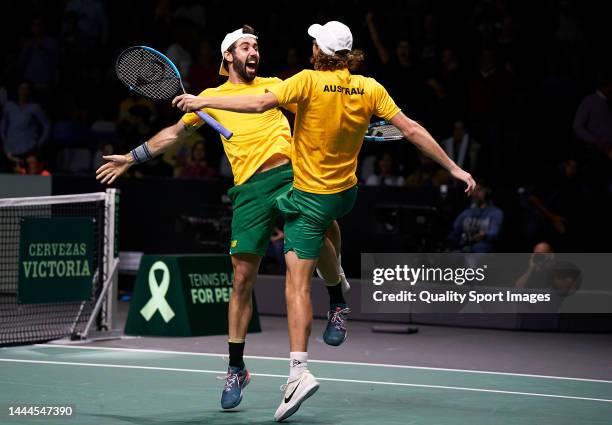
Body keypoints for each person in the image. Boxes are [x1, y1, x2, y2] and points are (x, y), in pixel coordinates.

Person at [173, 20, 475, 422]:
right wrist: (455, 168)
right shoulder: (369, 88)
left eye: (313, 42)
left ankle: (299, 372)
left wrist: (204, 102)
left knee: (295, 285)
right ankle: (338, 294)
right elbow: (412, 129)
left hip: (311, 201)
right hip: (346, 196)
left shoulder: (306, 81)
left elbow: (262, 102)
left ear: (319, 53)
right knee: (325, 236)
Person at [95, 25, 345, 413]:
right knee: (241, 279)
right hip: (248, 191)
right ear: (228, 56)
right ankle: (235, 367)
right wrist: (131, 157)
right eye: (246, 46)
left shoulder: (274, 86)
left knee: (315, 240)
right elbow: (174, 135)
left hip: (291, 175)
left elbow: (318, 112)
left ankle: (335, 301)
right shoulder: (208, 98)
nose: (254, 52)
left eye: (257, 46)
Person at [448, 181, 503, 253]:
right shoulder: (466, 212)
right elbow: (454, 232)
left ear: (487, 191)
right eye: (473, 190)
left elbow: (494, 232)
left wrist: (484, 235)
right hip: (463, 249)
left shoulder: (495, 212)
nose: (475, 193)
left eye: (479, 190)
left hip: (483, 250)